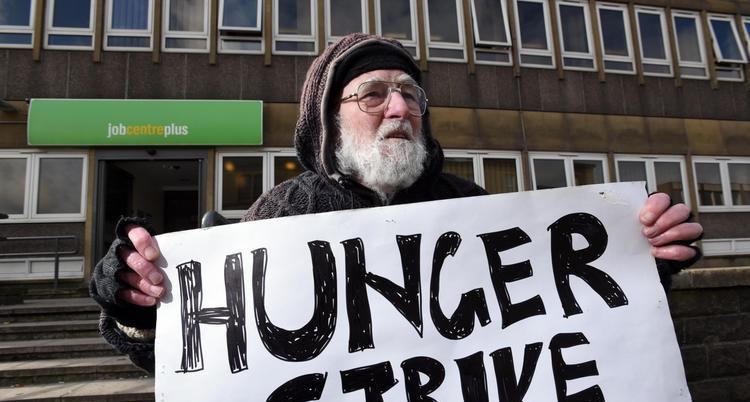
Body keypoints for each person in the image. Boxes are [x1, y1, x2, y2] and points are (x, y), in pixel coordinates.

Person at [89, 33, 703, 372]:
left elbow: (564, 330)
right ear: (328, 121)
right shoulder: (278, 215)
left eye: (411, 93)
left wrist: (640, 262)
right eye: (374, 94)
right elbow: (201, 366)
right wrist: (139, 306)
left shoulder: (475, 211)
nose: (401, 108)